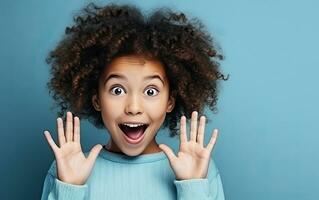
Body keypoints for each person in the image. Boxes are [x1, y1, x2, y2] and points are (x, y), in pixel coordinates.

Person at [41, 2, 228, 200]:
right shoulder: (67, 169)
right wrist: (69, 189)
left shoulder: (200, 170)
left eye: (150, 91)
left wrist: (193, 188)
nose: (133, 107)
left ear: (170, 102)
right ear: (97, 100)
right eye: (118, 89)